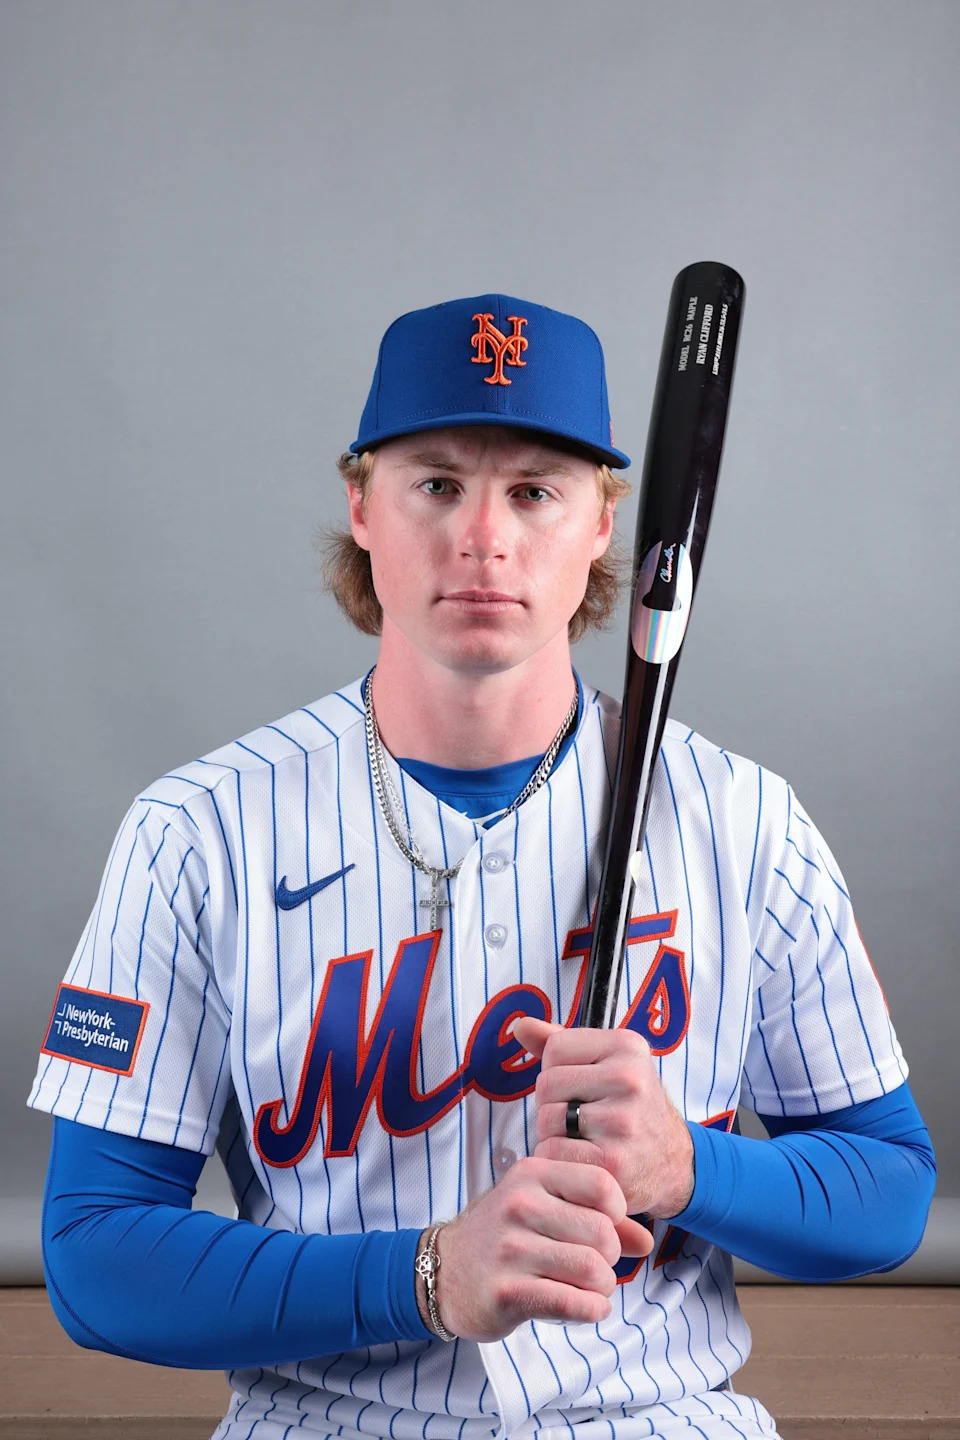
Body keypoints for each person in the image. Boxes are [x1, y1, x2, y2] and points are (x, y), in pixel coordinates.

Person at [29, 294, 936, 1440]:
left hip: (655, 1420)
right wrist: (423, 1276)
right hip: (330, 1423)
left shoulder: (742, 819)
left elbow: (891, 1190)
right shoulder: (197, 833)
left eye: (535, 491)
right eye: (439, 483)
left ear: (606, 525)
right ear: (361, 505)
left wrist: (689, 1167)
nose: (484, 538)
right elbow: (95, 1252)